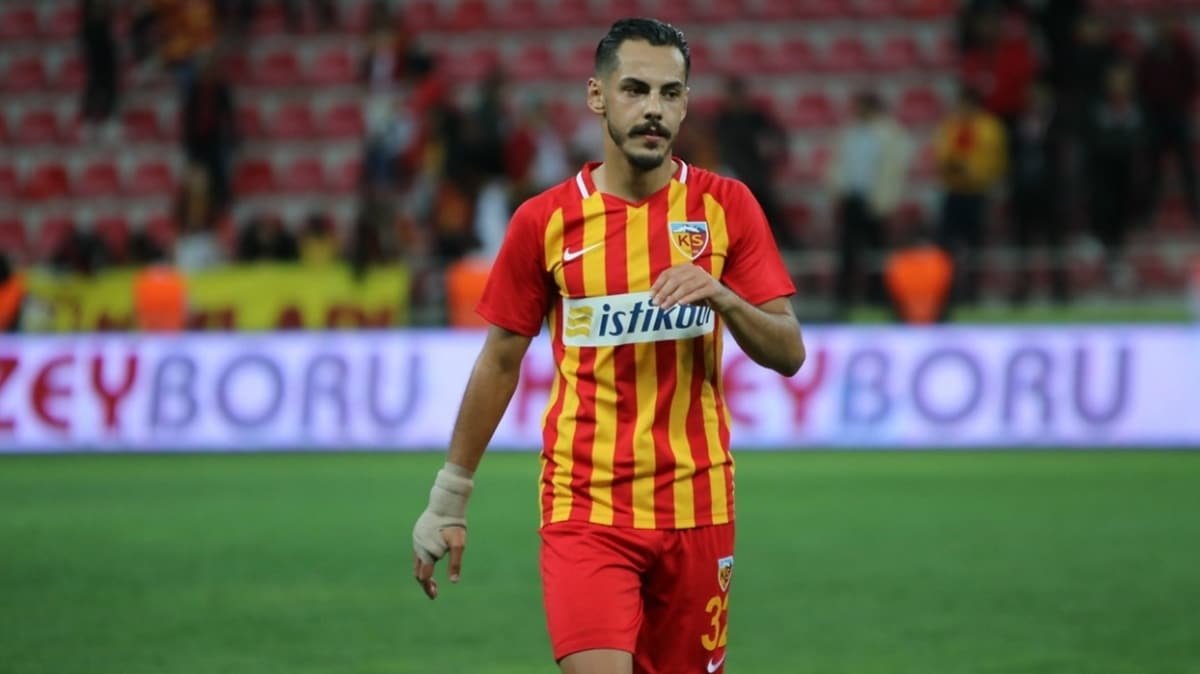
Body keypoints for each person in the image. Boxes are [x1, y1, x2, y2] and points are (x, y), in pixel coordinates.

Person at [410, 18, 806, 674]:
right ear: (598, 96)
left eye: (670, 93)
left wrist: (724, 298)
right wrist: (449, 495)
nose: (654, 108)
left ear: (686, 103)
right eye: (635, 89)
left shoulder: (726, 207)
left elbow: (789, 351)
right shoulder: (544, 221)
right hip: (585, 505)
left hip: (698, 503)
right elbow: (501, 359)